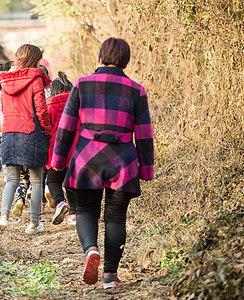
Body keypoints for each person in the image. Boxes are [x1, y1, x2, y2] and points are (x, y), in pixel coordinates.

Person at [51, 37, 154, 288]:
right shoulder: (136, 89)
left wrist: (58, 160)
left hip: (87, 158)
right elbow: (144, 133)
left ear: (100, 57)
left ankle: (90, 250)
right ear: (126, 60)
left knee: (86, 210)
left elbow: (66, 127)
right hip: (123, 161)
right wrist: (146, 169)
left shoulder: (82, 84)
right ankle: (110, 275)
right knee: (116, 217)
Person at [0, 44, 52, 234]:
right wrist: (48, 130)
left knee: (11, 180)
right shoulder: (35, 79)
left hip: (9, 133)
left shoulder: (5, 81)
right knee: (36, 181)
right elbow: (41, 110)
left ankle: (4, 218)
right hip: (31, 133)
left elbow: (3, 108)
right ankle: (34, 224)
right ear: (35, 59)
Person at [45, 72, 77, 225]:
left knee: (52, 180)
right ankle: (74, 214)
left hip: (55, 151)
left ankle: (60, 203)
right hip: (76, 150)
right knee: (71, 181)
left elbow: (46, 128)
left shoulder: (50, 106)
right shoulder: (77, 104)